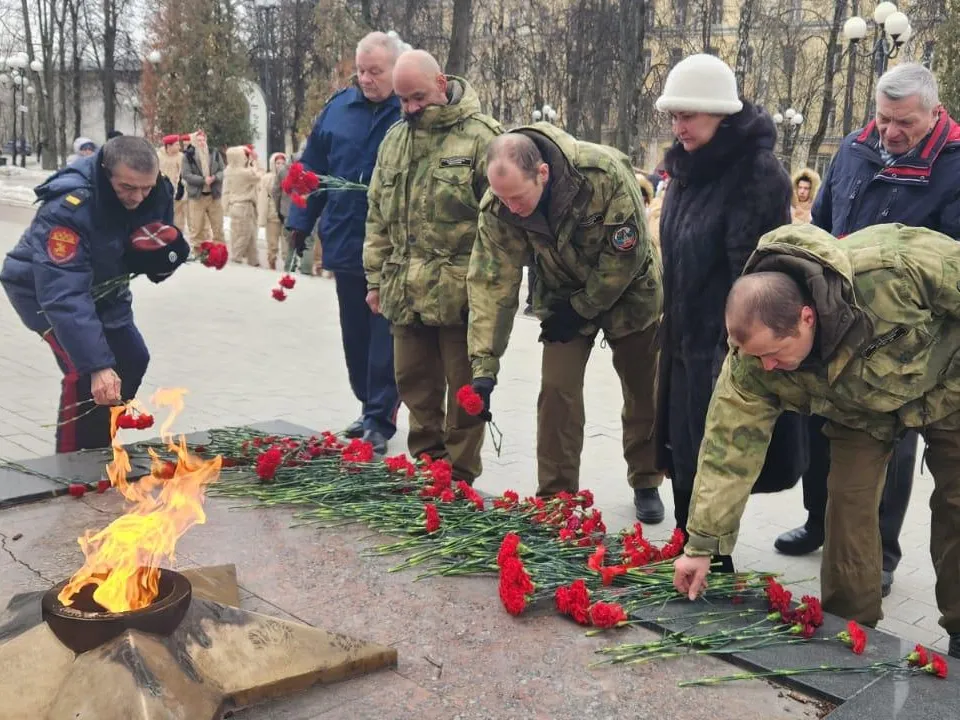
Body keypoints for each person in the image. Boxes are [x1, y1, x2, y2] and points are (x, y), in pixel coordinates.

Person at [673, 222, 960, 660]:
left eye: (775, 353)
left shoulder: (892, 272)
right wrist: (703, 547)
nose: (767, 367)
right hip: (860, 410)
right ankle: (850, 628)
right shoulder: (752, 362)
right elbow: (727, 452)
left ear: (807, 318)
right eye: (756, 357)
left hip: (949, 387)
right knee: (846, 503)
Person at [773, 63, 960, 598]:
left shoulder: (956, 164)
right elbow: (828, 225)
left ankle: (880, 552)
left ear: (934, 113)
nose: (890, 133)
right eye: (883, 119)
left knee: (892, 452)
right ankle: (818, 522)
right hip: (840, 326)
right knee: (826, 432)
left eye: (904, 123)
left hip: (914, 345)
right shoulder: (855, 149)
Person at [653, 53, 808, 556]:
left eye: (689, 115)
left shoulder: (756, 174)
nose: (679, 126)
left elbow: (756, 275)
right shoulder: (684, 170)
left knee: (713, 455)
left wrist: (733, 347)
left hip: (726, 346)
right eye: (674, 116)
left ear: (721, 113)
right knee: (679, 450)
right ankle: (685, 542)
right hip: (680, 337)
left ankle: (711, 560)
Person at [466, 125, 664, 516]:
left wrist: (583, 307)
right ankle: (557, 495)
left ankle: (646, 478)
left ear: (542, 173)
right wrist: (483, 367)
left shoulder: (601, 175)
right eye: (503, 199)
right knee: (557, 390)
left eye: (518, 198)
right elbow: (492, 284)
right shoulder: (499, 205)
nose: (511, 209)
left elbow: (626, 254)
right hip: (561, 296)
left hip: (630, 291)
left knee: (643, 389)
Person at [0, 136, 188, 452]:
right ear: (105, 172)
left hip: (103, 284)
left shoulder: (156, 191)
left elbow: (150, 242)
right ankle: (74, 466)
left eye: (146, 187)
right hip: (43, 290)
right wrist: (97, 366)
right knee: (84, 374)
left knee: (132, 358)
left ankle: (98, 442)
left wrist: (165, 260)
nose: (138, 197)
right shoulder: (69, 207)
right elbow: (63, 293)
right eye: (127, 188)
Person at [365, 49, 501, 474]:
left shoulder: (483, 138)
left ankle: (459, 477)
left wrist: (489, 293)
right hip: (404, 287)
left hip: (460, 292)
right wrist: (374, 279)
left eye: (418, 97)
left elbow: (499, 227)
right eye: (403, 100)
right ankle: (429, 469)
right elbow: (377, 214)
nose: (410, 108)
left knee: (464, 392)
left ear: (441, 84)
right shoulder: (394, 140)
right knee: (414, 386)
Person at [286, 31, 403, 452]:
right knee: (354, 336)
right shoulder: (337, 111)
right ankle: (367, 402)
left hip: (391, 249)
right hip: (344, 239)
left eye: (376, 71)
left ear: (396, 69)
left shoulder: (410, 110)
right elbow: (310, 171)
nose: (367, 79)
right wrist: (300, 223)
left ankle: (380, 417)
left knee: (385, 336)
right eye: (361, 71)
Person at [182, 129, 225, 252]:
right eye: (198, 140)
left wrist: (215, 178)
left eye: (203, 140)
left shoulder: (214, 153)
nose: (201, 142)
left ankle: (220, 252)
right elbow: (186, 175)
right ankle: (197, 253)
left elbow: (222, 170)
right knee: (197, 228)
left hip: (213, 196)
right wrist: (202, 180)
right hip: (197, 197)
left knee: (218, 227)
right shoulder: (188, 155)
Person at [223, 145, 261, 267]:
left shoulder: (229, 170)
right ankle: (236, 259)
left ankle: (253, 260)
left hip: (235, 205)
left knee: (244, 234)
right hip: (245, 206)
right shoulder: (244, 173)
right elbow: (259, 175)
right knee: (244, 235)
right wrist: (255, 161)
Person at [259, 152, 287, 270]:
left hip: (286, 215)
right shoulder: (267, 178)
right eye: (277, 163)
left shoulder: (289, 176)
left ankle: (288, 266)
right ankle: (272, 264)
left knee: (287, 244)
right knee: (272, 243)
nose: (280, 165)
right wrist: (262, 218)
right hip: (272, 215)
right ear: (273, 164)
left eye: (282, 163)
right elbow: (262, 199)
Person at [157, 134, 187, 233]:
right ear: (169, 146)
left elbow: (183, 174)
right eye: (177, 144)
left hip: (177, 191)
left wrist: (180, 190)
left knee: (177, 217)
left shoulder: (181, 157)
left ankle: (177, 235)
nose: (179, 147)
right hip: (160, 190)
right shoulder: (158, 155)